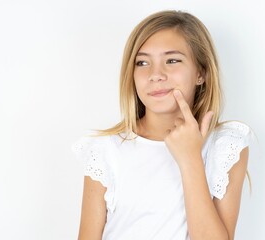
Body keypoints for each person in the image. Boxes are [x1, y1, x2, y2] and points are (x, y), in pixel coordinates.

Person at [71, 10, 253, 240]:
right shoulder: (105, 149)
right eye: (142, 62)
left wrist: (190, 159)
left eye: (172, 60)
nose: (155, 74)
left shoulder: (225, 145)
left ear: (201, 72)